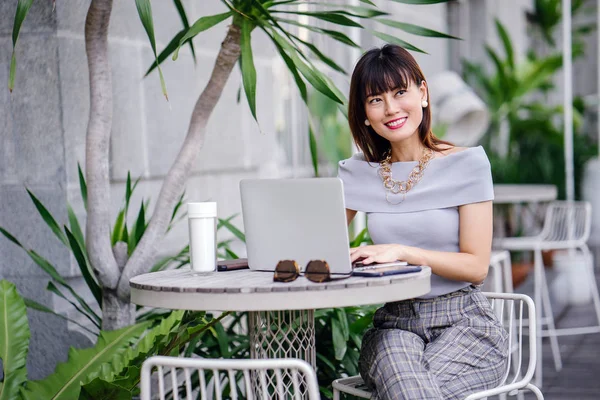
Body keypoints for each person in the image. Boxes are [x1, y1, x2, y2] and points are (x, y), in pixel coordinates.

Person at [337, 44, 509, 400]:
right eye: (375, 99)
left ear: (423, 93)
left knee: (409, 392)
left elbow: (476, 267)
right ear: (364, 113)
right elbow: (319, 249)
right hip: (393, 326)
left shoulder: (467, 164)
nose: (391, 108)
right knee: (408, 388)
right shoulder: (357, 174)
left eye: (400, 92)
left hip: (465, 323)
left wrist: (401, 251)